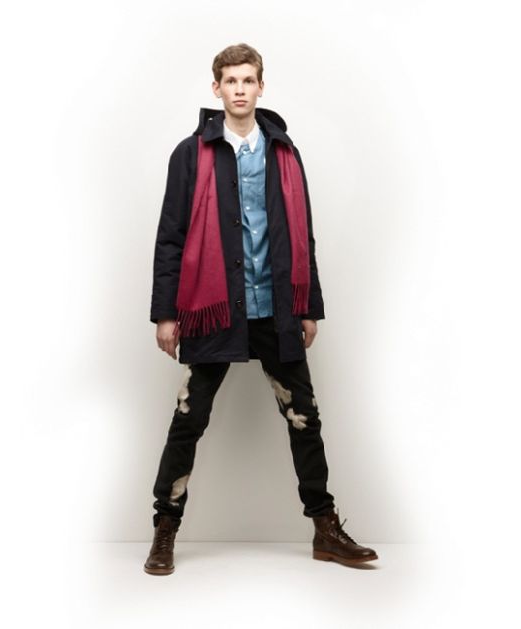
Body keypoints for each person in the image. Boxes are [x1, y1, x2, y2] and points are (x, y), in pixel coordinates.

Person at [144, 43, 378, 575]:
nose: (240, 89)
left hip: (275, 307)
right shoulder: (191, 154)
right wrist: (166, 313)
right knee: (188, 420)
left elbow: (302, 235)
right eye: (231, 81)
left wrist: (308, 307)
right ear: (217, 89)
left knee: (305, 420)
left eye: (248, 80)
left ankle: (325, 529)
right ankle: (164, 529)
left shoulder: (284, 153)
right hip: (215, 307)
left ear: (261, 86)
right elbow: (170, 237)